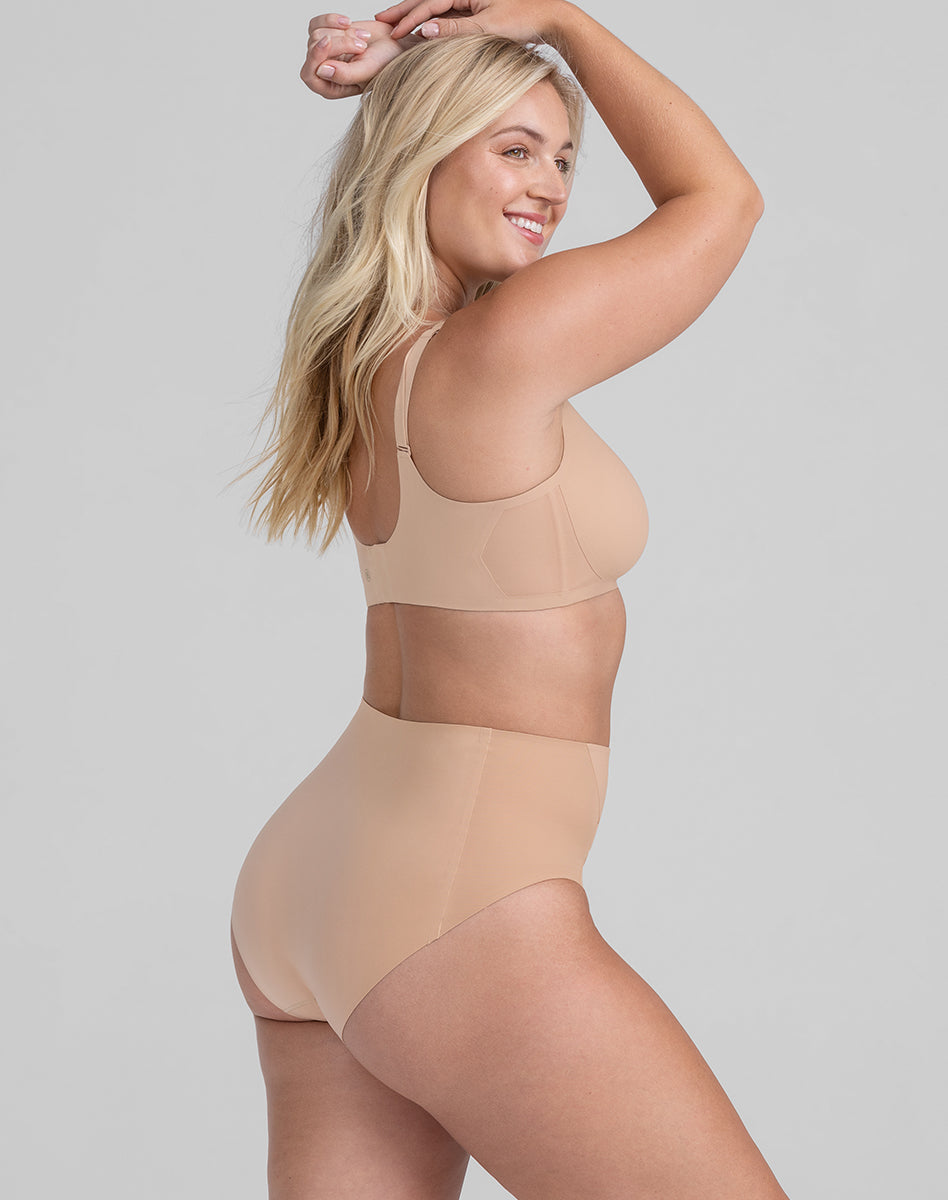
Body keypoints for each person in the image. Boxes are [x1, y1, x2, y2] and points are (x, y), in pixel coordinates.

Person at [231, 2, 784, 1196]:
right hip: (459, 896)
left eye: (565, 157)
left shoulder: (367, 360)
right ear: (424, 153)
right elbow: (720, 201)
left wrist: (419, 76)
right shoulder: (500, 352)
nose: (552, 187)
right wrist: (564, 24)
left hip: (314, 881)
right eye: (513, 148)